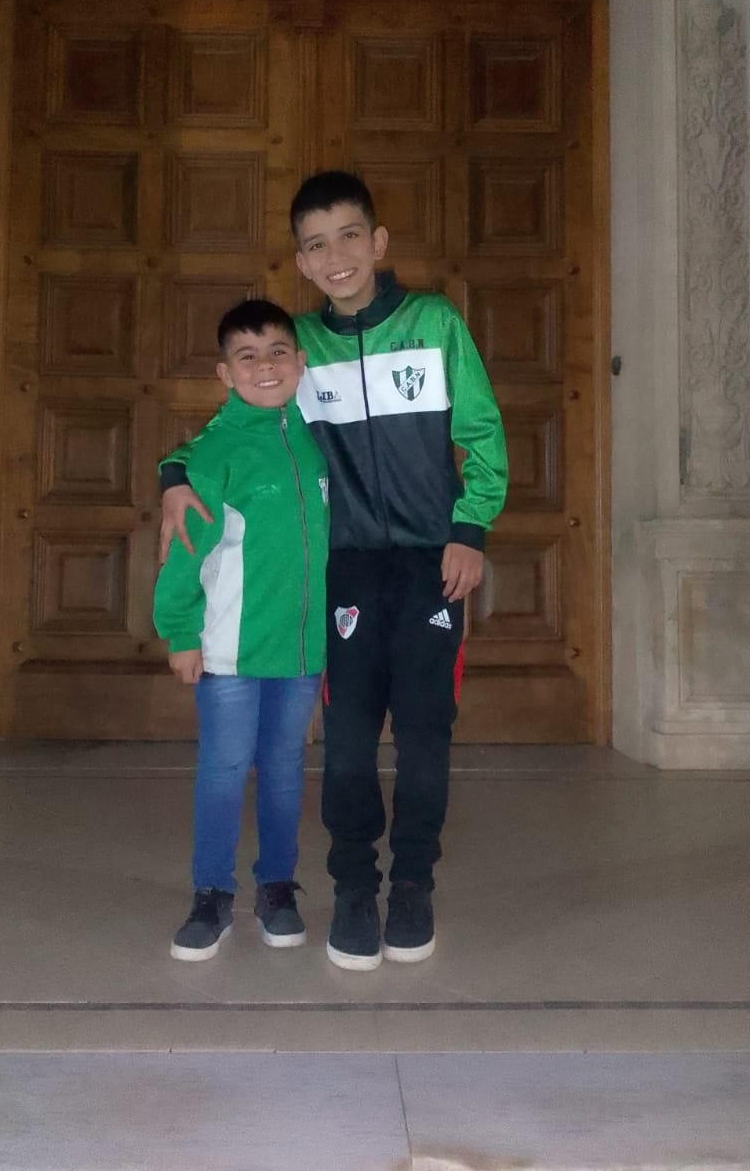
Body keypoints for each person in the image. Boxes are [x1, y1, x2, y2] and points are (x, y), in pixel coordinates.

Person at [159, 171, 507, 971]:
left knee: (423, 736)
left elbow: (483, 431)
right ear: (302, 261)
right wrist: (173, 471)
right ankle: (354, 887)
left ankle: (411, 886)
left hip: (431, 567)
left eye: (349, 235)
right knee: (346, 744)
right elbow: (230, 428)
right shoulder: (300, 349)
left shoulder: (434, 323)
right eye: (316, 244)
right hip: (343, 574)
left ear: (377, 242)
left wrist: (469, 529)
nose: (336, 255)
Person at [153, 298, 329, 962]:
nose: (266, 366)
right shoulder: (214, 453)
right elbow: (184, 554)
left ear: (300, 361)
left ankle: (277, 888)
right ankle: (211, 894)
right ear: (225, 374)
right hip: (229, 650)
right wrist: (180, 633)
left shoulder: (318, 438)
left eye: (278, 352)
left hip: (301, 649)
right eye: (247, 357)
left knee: (284, 769)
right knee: (224, 770)